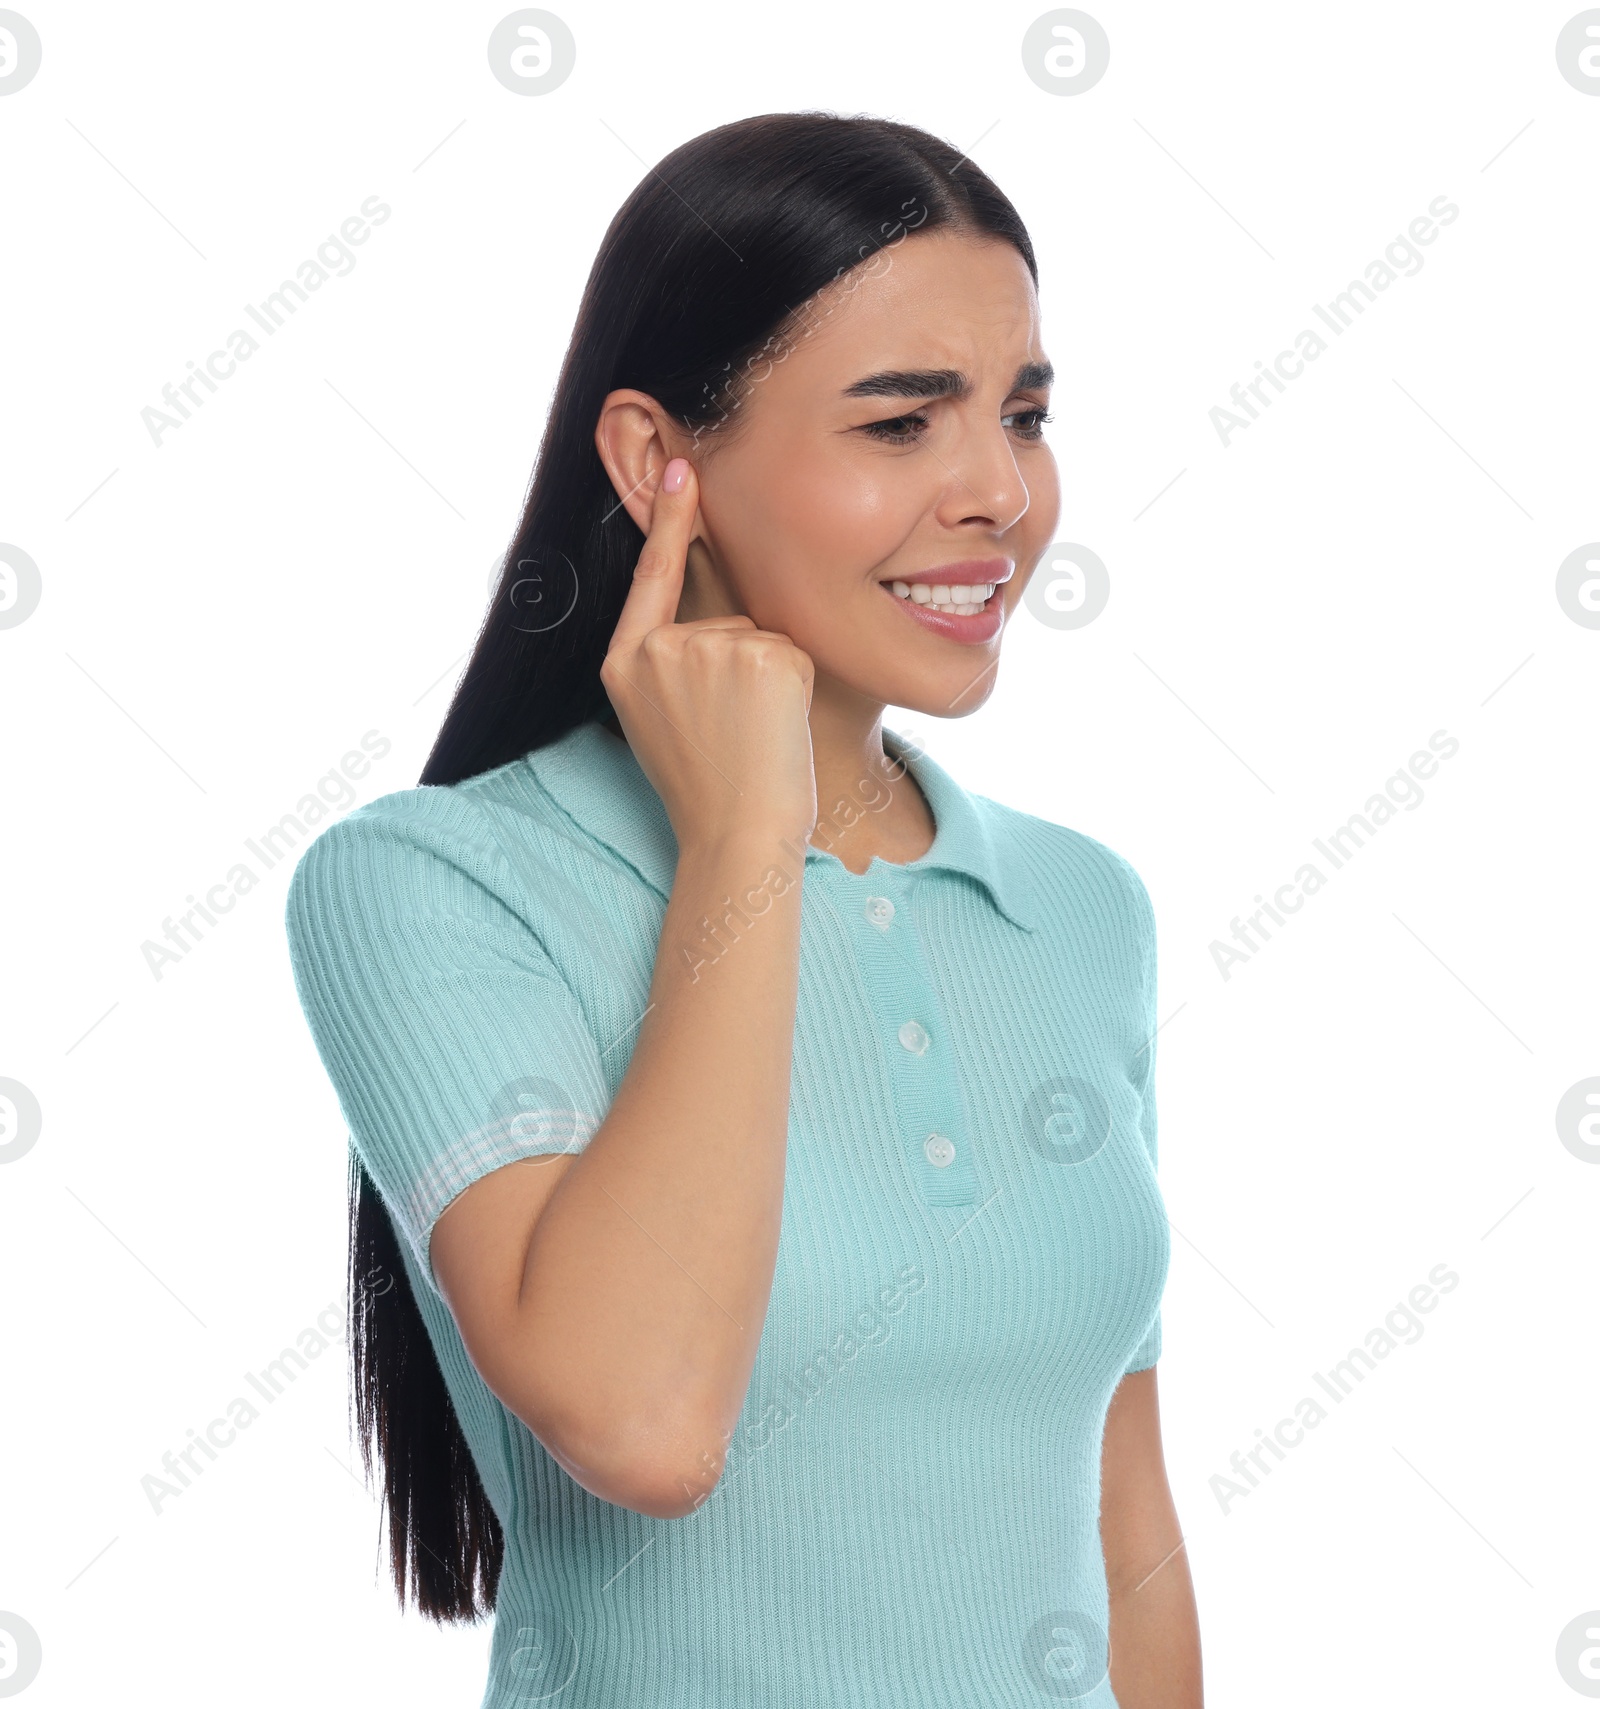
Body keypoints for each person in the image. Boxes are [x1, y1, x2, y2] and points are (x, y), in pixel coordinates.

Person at [285, 109, 1202, 1708]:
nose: (1002, 491)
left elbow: (1127, 1530)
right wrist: (744, 837)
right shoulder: (431, 887)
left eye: (1027, 412)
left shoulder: (1080, 910)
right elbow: (644, 1422)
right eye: (902, 424)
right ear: (659, 462)